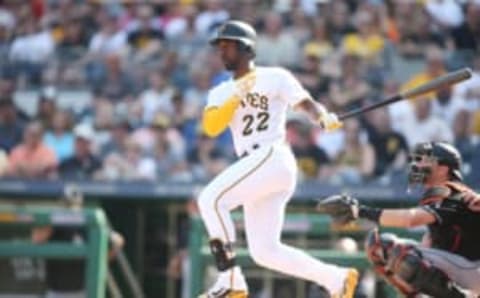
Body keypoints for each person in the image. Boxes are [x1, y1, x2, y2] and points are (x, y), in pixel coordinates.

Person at [197, 20, 358, 298]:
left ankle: (231, 278)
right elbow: (211, 126)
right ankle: (337, 279)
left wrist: (322, 116)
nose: (221, 52)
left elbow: (305, 103)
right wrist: (237, 94)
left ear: (246, 47)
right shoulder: (220, 91)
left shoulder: (275, 76)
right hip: (256, 166)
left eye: (227, 46)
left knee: (210, 199)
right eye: (219, 47)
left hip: (271, 155)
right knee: (265, 251)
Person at [317, 141, 480, 297]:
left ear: (444, 169)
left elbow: (410, 219)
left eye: (428, 161)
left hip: (473, 269)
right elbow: (430, 244)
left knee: (399, 252)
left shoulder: (451, 191)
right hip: (463, 267)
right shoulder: (445, 194)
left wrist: (361, 211)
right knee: (381, 247)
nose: (420, 165)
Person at [31, 185, 124, 298]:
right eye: (67, 205)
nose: (71, 209)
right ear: (61, 204)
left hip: (82, 291)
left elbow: (117, 240)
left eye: (74, 205)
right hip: (56, 291)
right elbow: (36, 240)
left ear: (80, 204)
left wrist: (101, 259)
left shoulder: (87, 224)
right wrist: (53, 222)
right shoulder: (53, 225)